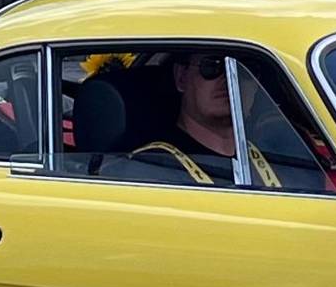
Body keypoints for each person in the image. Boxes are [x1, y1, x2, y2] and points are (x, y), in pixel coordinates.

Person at [125, 52, 320, 191]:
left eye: (245, 70)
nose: (230, 78)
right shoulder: (147, 171)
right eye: (212, 66)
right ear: (182, 78)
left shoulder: (288, 158)